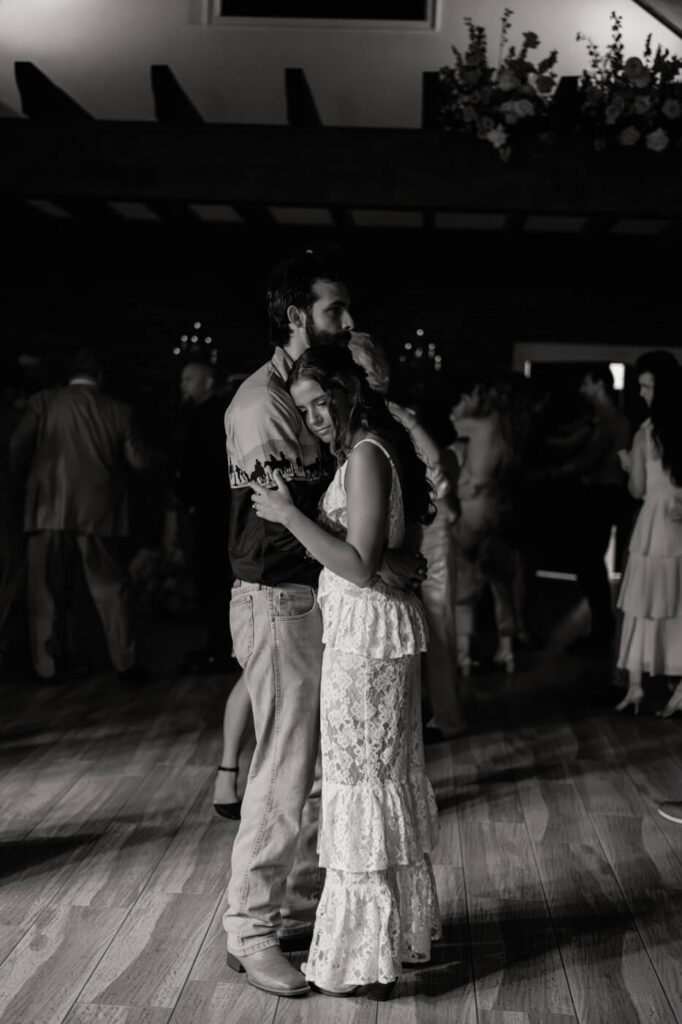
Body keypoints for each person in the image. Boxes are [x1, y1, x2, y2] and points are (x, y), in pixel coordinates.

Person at [222, 251, 425, 999]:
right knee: (281, 770)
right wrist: (371, 561)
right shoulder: (260, 403)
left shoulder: (322, 394)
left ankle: (292, 912)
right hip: (280, 596)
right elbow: (277, 524)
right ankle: (247, 932)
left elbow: (355, 479)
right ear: (297, 316)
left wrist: (379, 556)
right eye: (337, 310)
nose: (351, 321)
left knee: (314, 772)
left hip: (322, 595)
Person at [9, 347, 150, 683]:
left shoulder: (44, 402)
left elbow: (17, 444)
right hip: (99, 513)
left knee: (44, 592)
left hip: (47, 509)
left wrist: (23, 482)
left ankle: (47, 667)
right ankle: (124, 665)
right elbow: (140, 462)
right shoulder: (119, 410)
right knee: (110, 590)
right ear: (100, 377)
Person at [614, 350, 682, 717]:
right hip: (679, 524)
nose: (641, 393)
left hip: (655, 524)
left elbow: (638, 490)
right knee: (680, 606)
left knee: (642, 604)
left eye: (646, 386)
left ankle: (637, 687)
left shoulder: (646, 434)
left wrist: (628, 466)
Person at [548, 365, 631, 654]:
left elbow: (590, 458)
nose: (582, 389)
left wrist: (553, 472)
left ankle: (601, 631)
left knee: (588, 561)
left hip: (603, 494)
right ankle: (601, 628)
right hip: (603, 492)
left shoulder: (610, 420)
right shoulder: (602, 419)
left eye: (585, 383)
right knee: (588, 561)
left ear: (598, 384)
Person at [449, 379, 517, 675]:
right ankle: (507, 650)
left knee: (464, 581)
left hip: (472, 513)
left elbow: (449, 425)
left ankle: (463, 655)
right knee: (500, 581)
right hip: (498, 509)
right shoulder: (505, 428)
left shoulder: (474, 426)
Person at [176, 357, 235, 673]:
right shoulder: (206, 414)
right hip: (212, 509)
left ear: (207, 382)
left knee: (211, 580)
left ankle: (219, 648)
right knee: (211, 581)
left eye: (188, 379)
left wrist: (189, 499)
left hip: (211, 511)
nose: (182, 385)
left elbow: (202, 467)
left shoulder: (208, 417)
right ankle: (218, 645)